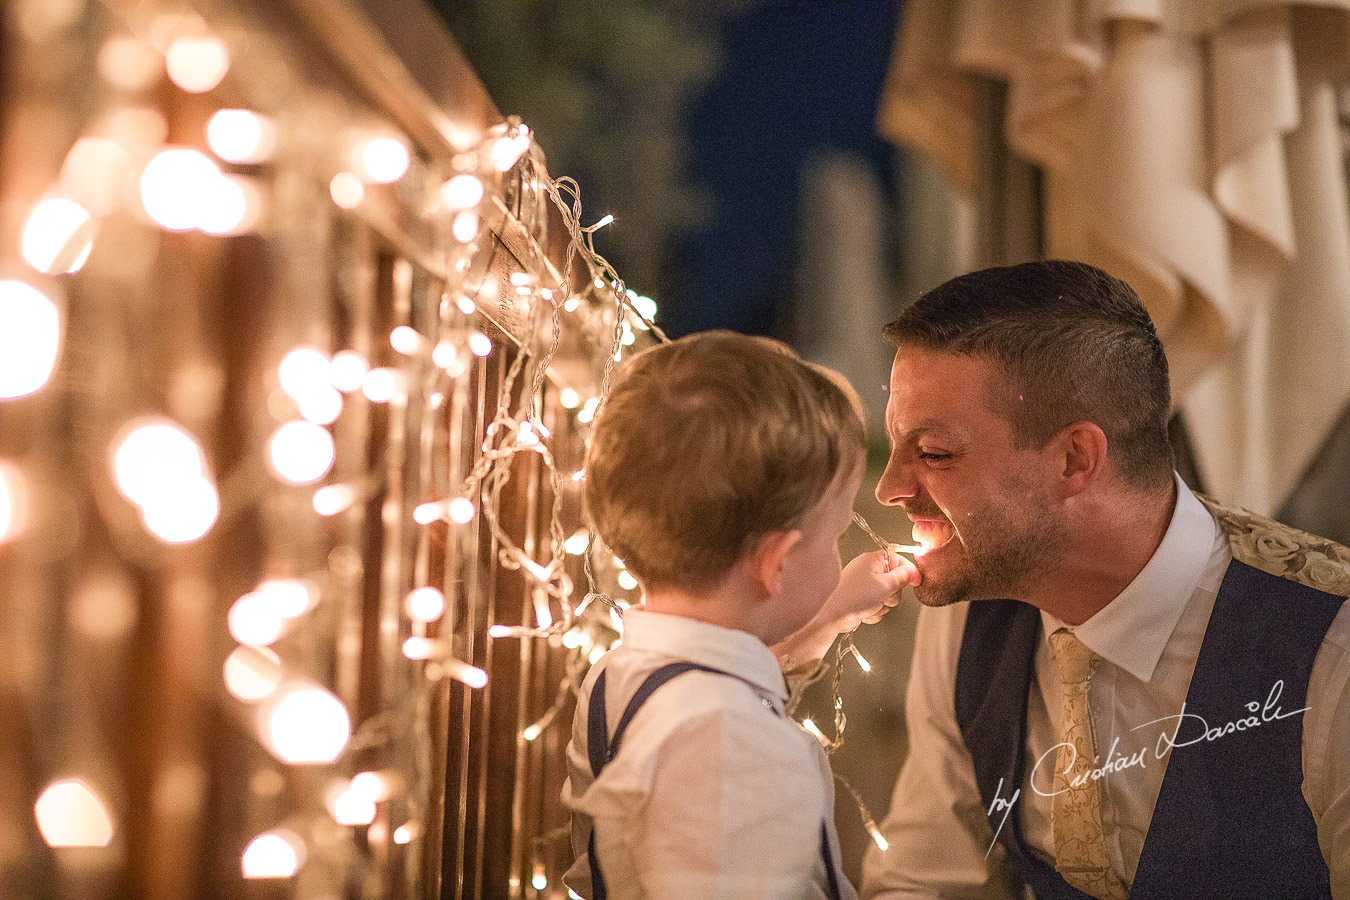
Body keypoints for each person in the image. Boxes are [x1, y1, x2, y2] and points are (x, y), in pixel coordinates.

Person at [858, 259, 1350, 899]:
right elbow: (928, 879)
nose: (889, 488)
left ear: (1073, 459)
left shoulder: (1329, 646)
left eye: (935, 454)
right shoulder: (968, 615)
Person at [562, 330, 917, 899]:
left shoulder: (620, 675)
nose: (839, 553)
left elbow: (721, 683)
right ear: (775, 564)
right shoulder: (734, 747)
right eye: (836, 536)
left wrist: (823, 624)